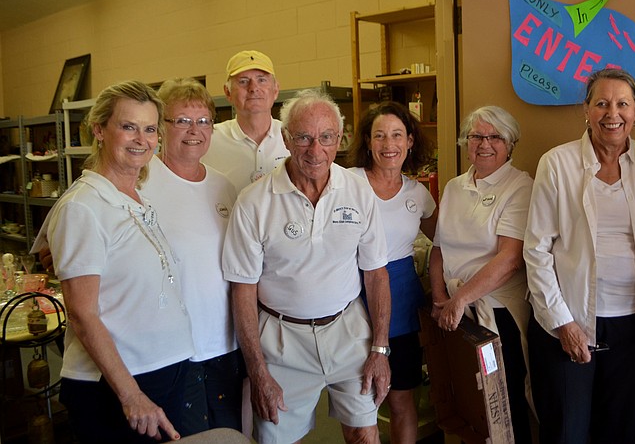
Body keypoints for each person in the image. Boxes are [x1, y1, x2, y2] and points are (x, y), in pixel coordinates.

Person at [223, 88, 391, 444]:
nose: (316, 150)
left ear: (339, 139)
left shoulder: (358, 191)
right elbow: (243, 289)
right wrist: (258, 371)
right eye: (304, 137)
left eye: (326, 137)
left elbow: (376, 273)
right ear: (285, 138)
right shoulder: (254, 202)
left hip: (349, 333)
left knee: (365, 434)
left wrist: (379, 349)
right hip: (282, 342)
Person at [523, 67, 635, 444]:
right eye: (601, 103)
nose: (612, 113)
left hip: (634, 327)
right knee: (566, 432)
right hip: (568, 321)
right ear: (585, 110)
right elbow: (536, 250)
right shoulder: (556, 163)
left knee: (622, 429)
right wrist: (563, 323)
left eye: (623, 104)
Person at [46, 80, 194, 443]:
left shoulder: (134, 198)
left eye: (149, 129)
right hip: (117, 387)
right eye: (128, 127)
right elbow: (82, 313)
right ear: (99, 130)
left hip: (163, 372)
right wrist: (130, 395)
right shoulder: (84, 207)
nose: (141, 139)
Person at [429, 105, 534, 443]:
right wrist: (440, 297)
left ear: (510, 143)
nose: (485, 144)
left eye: (495, 137)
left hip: (496, 316)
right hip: (457, 312)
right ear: (466, 141)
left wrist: (458, 299)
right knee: (469, 401)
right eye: (476, 136)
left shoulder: (520, 187)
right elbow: (438, 248)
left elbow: (509, 259)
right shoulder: (454, 187)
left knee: (502, 401)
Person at [145, 77, 243, 433]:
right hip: (172, 349)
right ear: (160, 128)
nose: (194, 131)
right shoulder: (139, 182)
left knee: (228, 434)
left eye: (203, 121)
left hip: (224, 341)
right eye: (181, 121)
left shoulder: (223, 186)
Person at [347, 101, 437, 444]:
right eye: (380, 136)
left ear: (411, 141)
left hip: (401, 307)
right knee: (355, 402)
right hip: (351, 302)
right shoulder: (347, 182)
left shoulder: (418, 194)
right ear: (367, 142)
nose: (389, 144)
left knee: (401, 398)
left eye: (397, 135)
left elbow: (443, 242)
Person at [202, 50, 289, 191]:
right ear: (227, 92)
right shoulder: (208, 139)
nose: (253, 88)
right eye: (243, 81)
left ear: (276, 90)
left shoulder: (293, 137)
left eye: (262, 80)